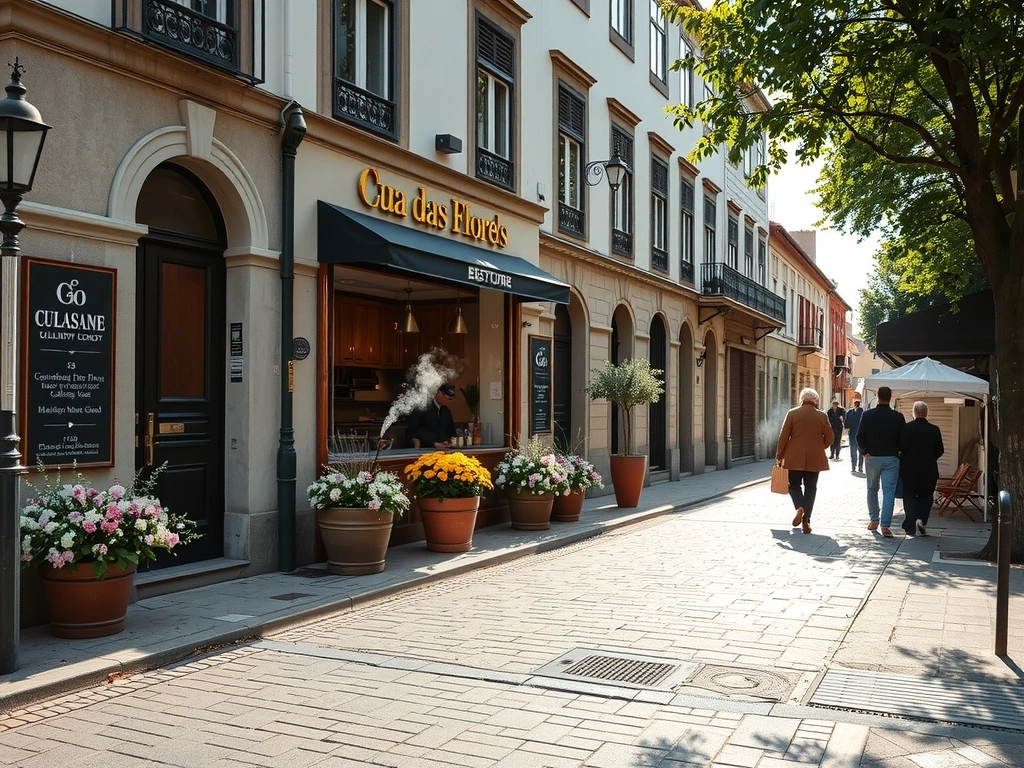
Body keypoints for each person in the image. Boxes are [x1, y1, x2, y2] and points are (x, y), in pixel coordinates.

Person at [775, 387, 832, 534]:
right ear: (815, 401)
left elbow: (783, 436)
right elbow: (830, 437)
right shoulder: (822, 416)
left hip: (794, 456)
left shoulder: (792, 413)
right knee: (811, 487)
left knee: (793, 484)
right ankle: (806, 521)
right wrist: (820, 446)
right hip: (815, 457)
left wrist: (779, 455)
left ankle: (799, 506)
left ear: (801, 399)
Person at [856, 385, 906, 538]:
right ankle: (885, 525)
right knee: (889, 491)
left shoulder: (867, 415)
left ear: (877, 397)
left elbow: (859, 436)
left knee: (872, 489)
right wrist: (898, 451)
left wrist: (864, 452)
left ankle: (874, 520)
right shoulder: (898, 417)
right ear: (890, 398)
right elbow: (904, 439)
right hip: (891, 457)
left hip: (872, 457)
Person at [899, 401, 944, 536]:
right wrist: (930, 458)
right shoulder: (934, 429)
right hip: (929, 468)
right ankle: (922, 520)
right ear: (926, 413)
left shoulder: (906, 428)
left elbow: (901, 446)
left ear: (914, 413)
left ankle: (910, 525)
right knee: (927, 495)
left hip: (909, 467)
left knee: (909, 496)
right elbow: (940, 450)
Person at [406, 384, 458, 449]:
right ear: (439, 393)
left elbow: (451, 430)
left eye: (451, 399)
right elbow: (412, 431)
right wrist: (433, 444)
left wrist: (448, 440)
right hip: (424, 449)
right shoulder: (422, 407)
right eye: (447, 398)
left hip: (443, 449)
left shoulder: (446, 411)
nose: (448, 401)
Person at [845, 397, 865, 473]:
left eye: (858, 403)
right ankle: (854, 465)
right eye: (855, 403)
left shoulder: (862, 412)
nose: (856, 404)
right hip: (853, 433)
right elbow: (847, 424)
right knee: (853, 450)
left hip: (860, 434)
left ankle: (859, 466)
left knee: (860, 451)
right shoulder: (850, 412)